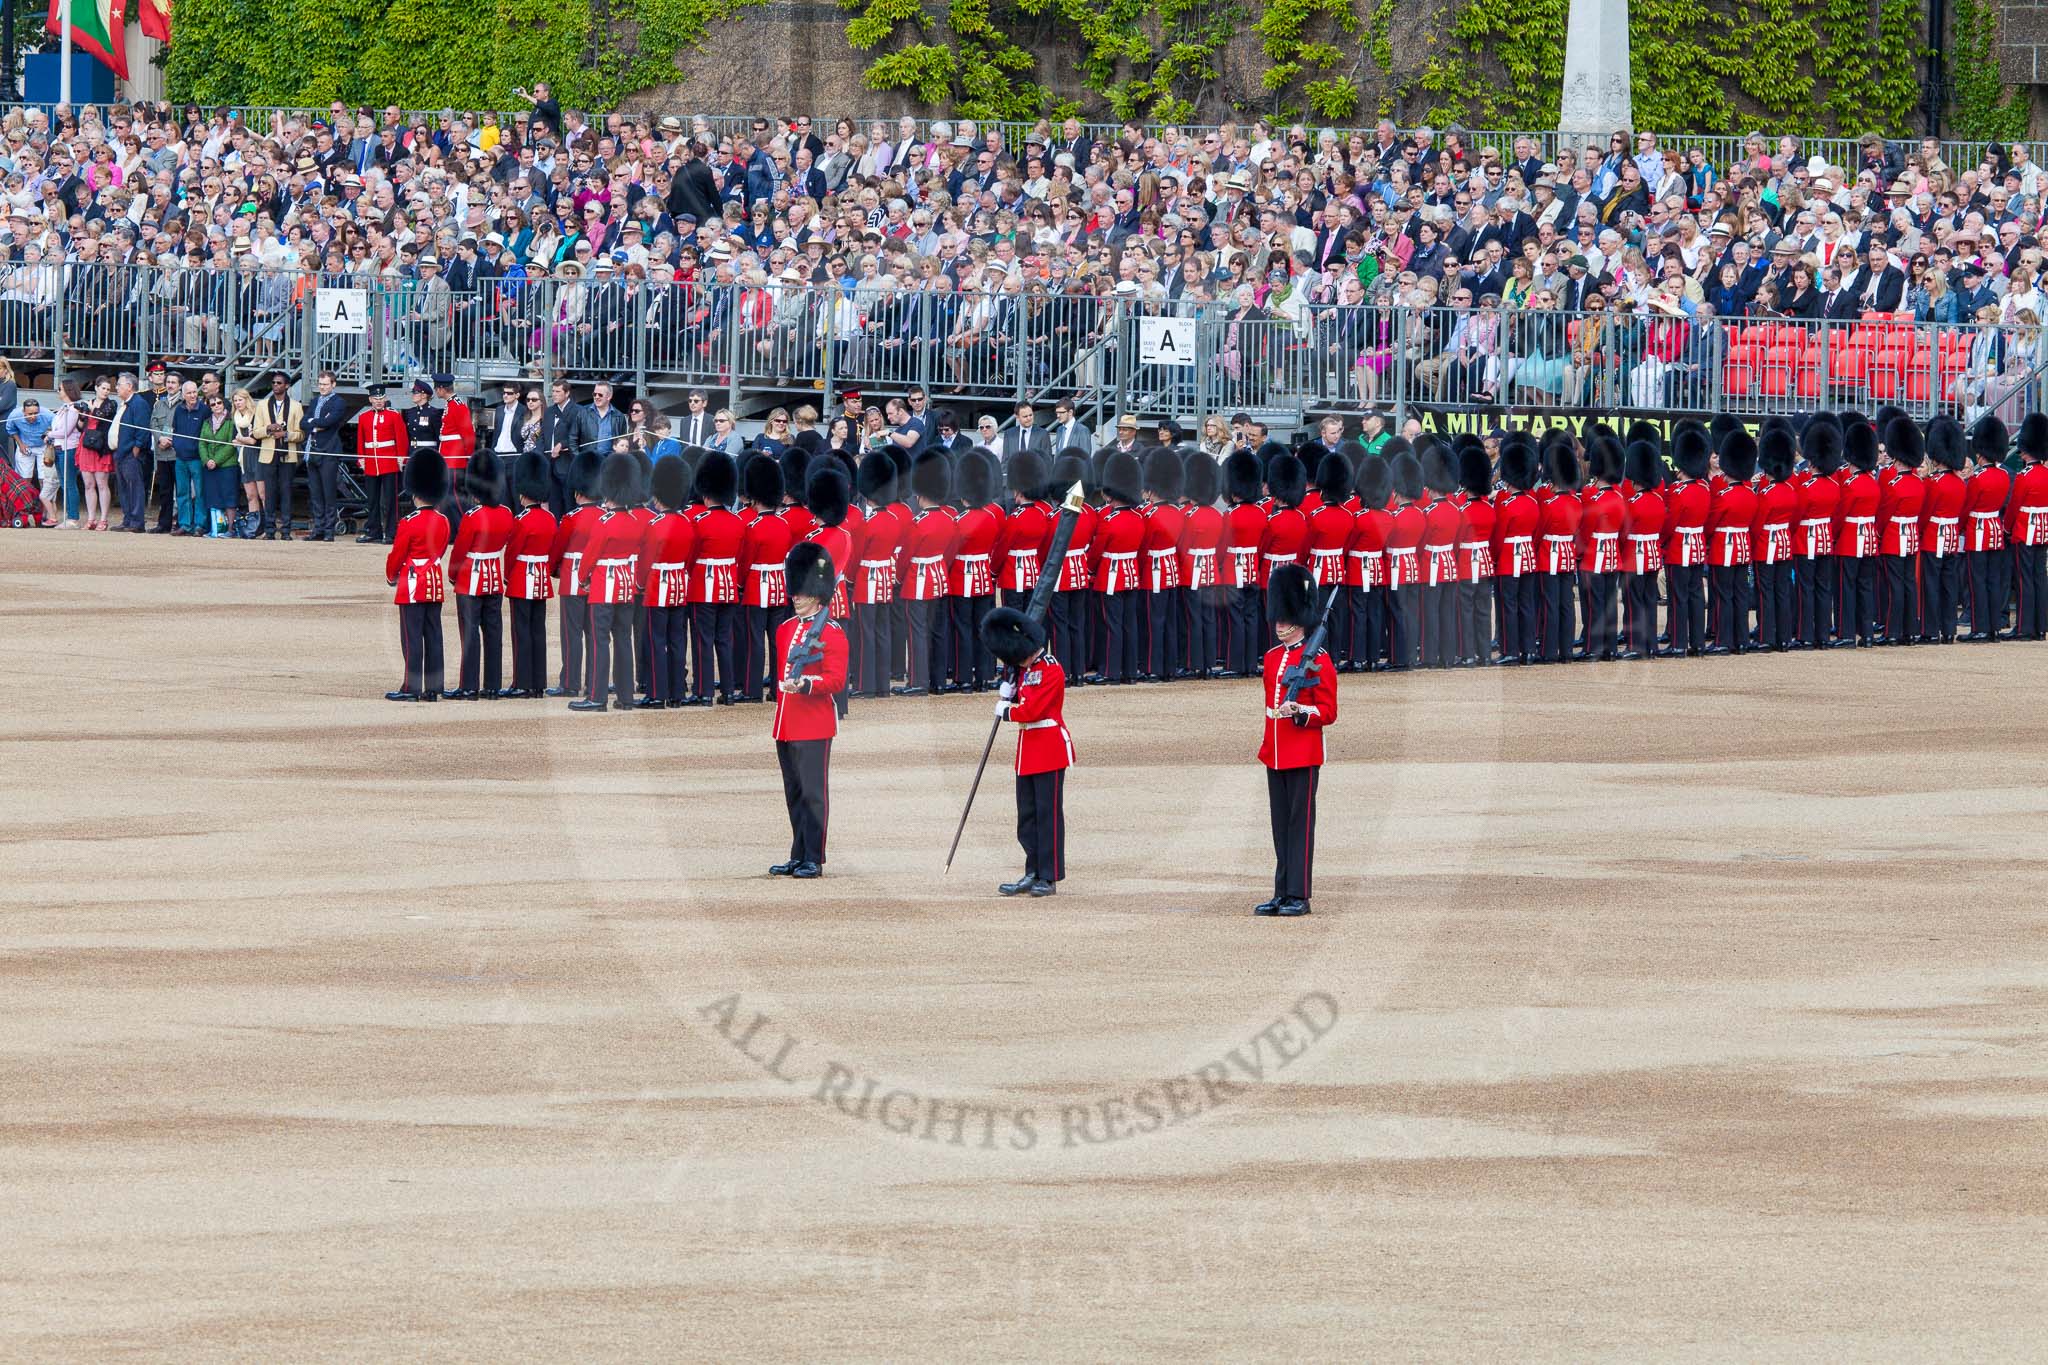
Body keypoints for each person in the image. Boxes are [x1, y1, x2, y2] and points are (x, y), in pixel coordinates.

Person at [1256, 563, 1337, 918]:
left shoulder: (1319, 660)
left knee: (1299, 826)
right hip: (1275, 751)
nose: (1279, 625)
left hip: (1302, 751)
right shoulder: (1273, 658)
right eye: (1277, 619)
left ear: (1300, 620)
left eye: (1285, 619)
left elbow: (1328, 711)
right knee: (1279, 826)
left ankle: (1299, 895)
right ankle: (1281, 891)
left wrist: (1301, 712)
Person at [769, 542, 849, 879]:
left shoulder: (832, 633)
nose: (796, 597)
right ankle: (798, 852)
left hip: (814, 725)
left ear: (818, 594)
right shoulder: (785, 629)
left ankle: (813, 857)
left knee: (814, 794)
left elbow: (835, 680)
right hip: (787, 723)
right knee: (794, 793)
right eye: (795, 591)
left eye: (802, 592)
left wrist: (807, 685)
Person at [983, 605, 1071, 897]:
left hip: (1049, 749)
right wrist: (1011, 692)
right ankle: (1032, 870)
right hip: (1028, 751)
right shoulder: (1027, 669)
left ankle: (1049, 875)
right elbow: (1025, 699)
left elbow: (1033, 710)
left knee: (1048, 815)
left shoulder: (1050, 669)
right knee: (1028, 816)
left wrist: (1008, 709)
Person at [571, 452, 648, 711]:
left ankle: (597, 696)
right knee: (624, 640)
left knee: (599, 640)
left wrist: (583, 580)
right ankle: (626, 697)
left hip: (604, 586)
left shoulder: (605, 522)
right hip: (626, 586)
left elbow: (589, 557)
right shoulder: (636, 522)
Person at [384, 449, 452, 702]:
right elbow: (442, 550)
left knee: (412, 638)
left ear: (415, 494)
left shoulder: (409, 522)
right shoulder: (444, 520)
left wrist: (391, 576)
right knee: (434, 635)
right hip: (434, 581)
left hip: (413, 582)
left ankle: (412, 688)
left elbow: (397, 555)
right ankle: (434, 687)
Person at [445, 449, 512, 699]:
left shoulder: (473, 516)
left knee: (470, 633)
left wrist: (453, 575)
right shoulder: (506, 514)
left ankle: (469, 685)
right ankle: (492, 685)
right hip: (494, 577)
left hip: (470, 579)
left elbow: (460, 550)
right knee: (494, 632)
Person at [638, 455, 696, 708]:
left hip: (657, 586)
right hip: (680, 585)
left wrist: (639, 585)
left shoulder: (654, 524)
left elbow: (645, 561)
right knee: (677, 640)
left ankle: (656, 692)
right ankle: (676, 693)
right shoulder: (687, 523)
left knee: (655, 640)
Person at [547, 451, 606, 697]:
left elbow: (557, 550)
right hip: (600, 580)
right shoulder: (605, 517)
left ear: (577, 490)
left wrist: (553, 570)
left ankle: (570, 682)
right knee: (594, 634)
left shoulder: (571, 518)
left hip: (572, 580)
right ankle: (593, 682)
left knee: (572, 635)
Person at [504, 451, 559, 698]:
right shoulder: (550, 519)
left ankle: (522, 682)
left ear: (522, 493)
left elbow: (512, 552)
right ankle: (538, 683)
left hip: (522, 578)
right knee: (538, 630)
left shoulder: (521, 519)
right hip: (541, 578)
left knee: (521, 632)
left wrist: (507, 576)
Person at [1705, 430, 1758, 655]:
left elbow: (1710, 525)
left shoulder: (1724, 497)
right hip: (1743, 548)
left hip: (1723, 548)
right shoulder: (1750, 495)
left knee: (1724, 595)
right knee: (1741, 594)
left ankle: (1724, 640)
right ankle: (1741, 639)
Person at [1962, 416, 2011, 642]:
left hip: (1978, 531)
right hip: (1995, 531)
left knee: (1977, 581)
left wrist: (1961, 527)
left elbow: (1967, 507)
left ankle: (1980, 627)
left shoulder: (1977, 478)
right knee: (1993, 581)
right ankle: (1993, 627)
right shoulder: (2003, 476)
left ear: (1980, 453)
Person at [2007, 412, 2048, 640]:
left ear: (2024, 450)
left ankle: (2024, 627)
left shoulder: (2024, 476)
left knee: (2024, 579)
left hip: (2025, 529)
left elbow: (2014, 508)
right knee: (2040, 577)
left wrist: (2006, 528)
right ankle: (2041, 627)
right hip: (2043, 530)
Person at [355, 384, 406, 543]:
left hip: (389, 462)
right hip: (371, 462)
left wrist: (401, 458)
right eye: (375, 398)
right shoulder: (364, 417)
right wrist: (361, 458)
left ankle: (391, 532)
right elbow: (361, 440)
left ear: (386, 399)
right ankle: (373, 531)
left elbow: (401, 438)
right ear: (370, 399)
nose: (379, 401)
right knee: (372, 500)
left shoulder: (394, 415)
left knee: (390, 500)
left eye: (381, 398)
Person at [256, 371, 303, 539]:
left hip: (287, 455)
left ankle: (286, 530)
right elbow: (255, 432)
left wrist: (285, 434)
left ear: (287, 386)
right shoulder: (262, 405)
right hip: (268, 454)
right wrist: (269, 429)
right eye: (274, 383)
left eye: (279, 383)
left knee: (286, 492)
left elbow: (301, 434)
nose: (275, 385)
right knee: (269, 493)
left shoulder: (296, 406)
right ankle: (269, 530)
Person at [302, 371, 347, 542]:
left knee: (328, 492)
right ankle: (318, 528)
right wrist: (315, 423)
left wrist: (313, 422)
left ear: (333, 384)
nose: (322, 387)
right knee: (315, 492)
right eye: (320, 384)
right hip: (311, 449)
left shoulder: (338, 402)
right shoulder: (314, 401)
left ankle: (329, 530)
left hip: (328, 450)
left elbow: (329, 422)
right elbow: (303, 422)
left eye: (326, 384)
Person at [111, 373, 154, 533]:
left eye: (119, 384)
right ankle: (128, 519)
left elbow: (143, 429)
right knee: (123, 488)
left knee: (134, 487)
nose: (117, 388)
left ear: (129, 386)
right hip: (121, 452)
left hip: (131, 453)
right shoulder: (125, 404)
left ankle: (136, 522)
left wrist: (136, 448)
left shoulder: (138, 403)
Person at [198, 393, 241, 538]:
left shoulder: (231, 421)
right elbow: (202, 442)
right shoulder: (206, 422)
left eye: (219, 403)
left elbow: (231, 444)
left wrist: (216, 460)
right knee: (212, 496)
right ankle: (216, 528)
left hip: (227, 465)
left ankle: (230, 529)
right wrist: (206, 460)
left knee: (229, 496)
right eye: (213, 404)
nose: (216, 406)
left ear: (224, 404)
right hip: (209, 465)